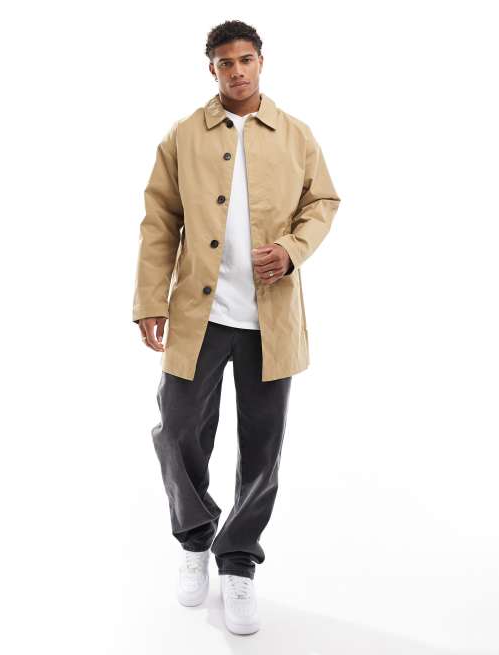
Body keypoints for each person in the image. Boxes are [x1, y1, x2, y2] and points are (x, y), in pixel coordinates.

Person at [132, 19, 341, 635]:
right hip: (198, 316)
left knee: (262, 445)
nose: (238, 70)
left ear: (261, 61)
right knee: (177, 429)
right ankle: (196, 537)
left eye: (246, 59)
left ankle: (239, 560)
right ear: (212, 69)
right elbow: (158, 220)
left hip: (268, 320)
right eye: (226, 62)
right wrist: (150, 299)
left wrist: (293, 249)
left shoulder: (295, 134)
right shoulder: (182, 136)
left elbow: (323, 202)